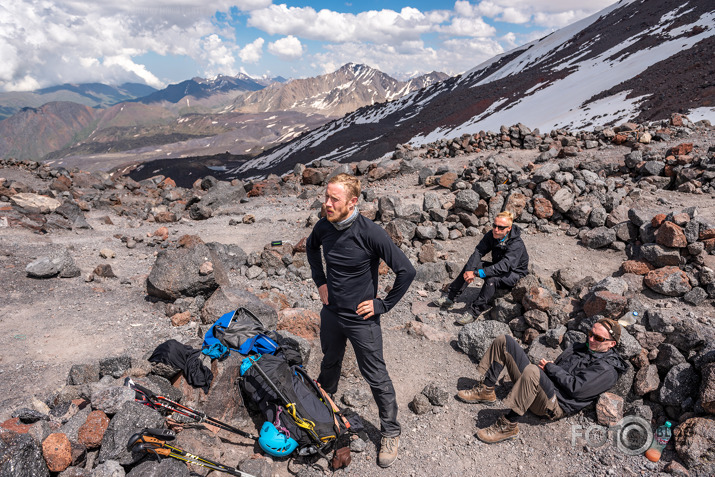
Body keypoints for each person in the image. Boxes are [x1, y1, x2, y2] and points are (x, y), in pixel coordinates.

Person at [306, 173, 416, 468]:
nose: (326, 204)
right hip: (332, 313)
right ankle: (322, 409)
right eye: (325, 197)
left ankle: (391, 431)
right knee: (329, 363)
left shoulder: (371, 233)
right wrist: (321, 282)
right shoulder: (324, 226)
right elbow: (311, 247)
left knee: (376, 376)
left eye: (334, 199)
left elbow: (406, 271)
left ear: (352, 202)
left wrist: (383, 304)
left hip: (361, 319)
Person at [457, 318, 626, 444]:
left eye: (598, 338)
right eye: (590, 333)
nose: (590, 339)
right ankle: (486, 389)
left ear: (611, 344)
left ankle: (508, 425)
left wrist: (550, 369)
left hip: (555, 405)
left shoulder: (607, 369)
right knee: (505, 341)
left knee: (532, 371)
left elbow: (577, 388)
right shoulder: (581, 347)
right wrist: (547, 373)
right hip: (544, 388)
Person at [433, 210, 529, 325]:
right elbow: (478, 251)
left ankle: (474, 311)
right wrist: (470, 270)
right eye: (494, 225)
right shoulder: (492, 235)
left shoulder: (516, 244)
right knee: (472, 266)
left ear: (509, 228)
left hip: (514, 274)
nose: (496, 229)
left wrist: (478, 273)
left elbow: (505, 266)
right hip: (498, 267)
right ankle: (451, 298)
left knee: (491, 279)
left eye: (500, 228)